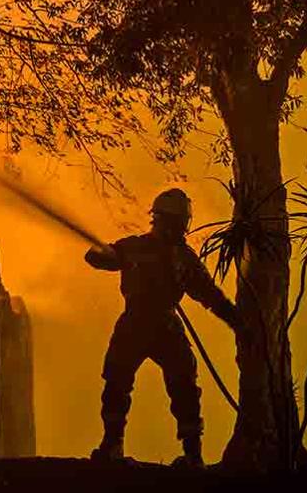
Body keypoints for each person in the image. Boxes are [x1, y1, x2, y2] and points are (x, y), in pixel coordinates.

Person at [85, 188, 240, 468]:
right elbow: (95, 258)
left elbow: (210, 295)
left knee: (183, 386)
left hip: (161, 324)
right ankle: (112, 445)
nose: (179, 229)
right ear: (166, 221)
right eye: (177, 222)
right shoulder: (133, 247)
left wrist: (237, 321)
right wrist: (106, 253)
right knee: (117, 381)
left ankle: (192, 455)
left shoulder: (181, 258)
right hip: (138, 323)